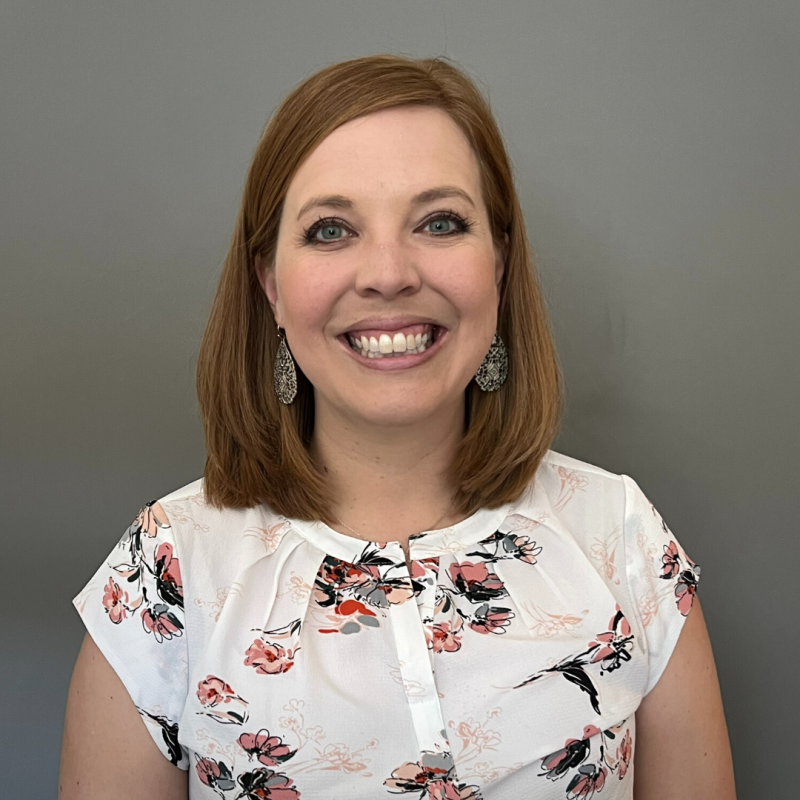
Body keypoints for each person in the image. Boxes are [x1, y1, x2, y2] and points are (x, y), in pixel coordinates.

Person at [59, 54, 736, 800]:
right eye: (330, 230)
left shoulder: (624, 540)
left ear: (500, 264)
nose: (387, 272)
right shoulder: (165, 573)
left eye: (439, 222)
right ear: (270, 285)